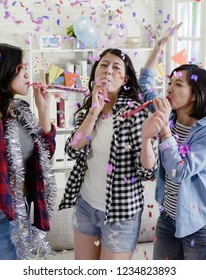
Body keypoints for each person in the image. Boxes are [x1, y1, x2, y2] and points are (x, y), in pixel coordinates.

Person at [0, 0, 57, 260]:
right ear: (3, 73)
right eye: (20, 68)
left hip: (22, 210)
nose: (27, 73)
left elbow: (46, 155)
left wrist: (44, 110)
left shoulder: (21, 110)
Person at [58, 48, 157, 260]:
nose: (108, 71)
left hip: (121, 214)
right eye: (103, 65)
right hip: (86, 206)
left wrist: (148, 139)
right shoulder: (87, 109)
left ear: (125, 79)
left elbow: (147, 171)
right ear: (95, 73)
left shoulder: (134, 113)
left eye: (116, 67)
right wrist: (94, 111)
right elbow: (72, 150)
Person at [139, 23, 206, 260]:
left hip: (201, 223)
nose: (169, 89)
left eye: (178, 84)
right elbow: (144, 85)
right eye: (169, 83)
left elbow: (179, 171)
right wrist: (158, 47)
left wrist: (164, 128)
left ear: (195, 94)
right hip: (169, 217)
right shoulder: (172, 115)